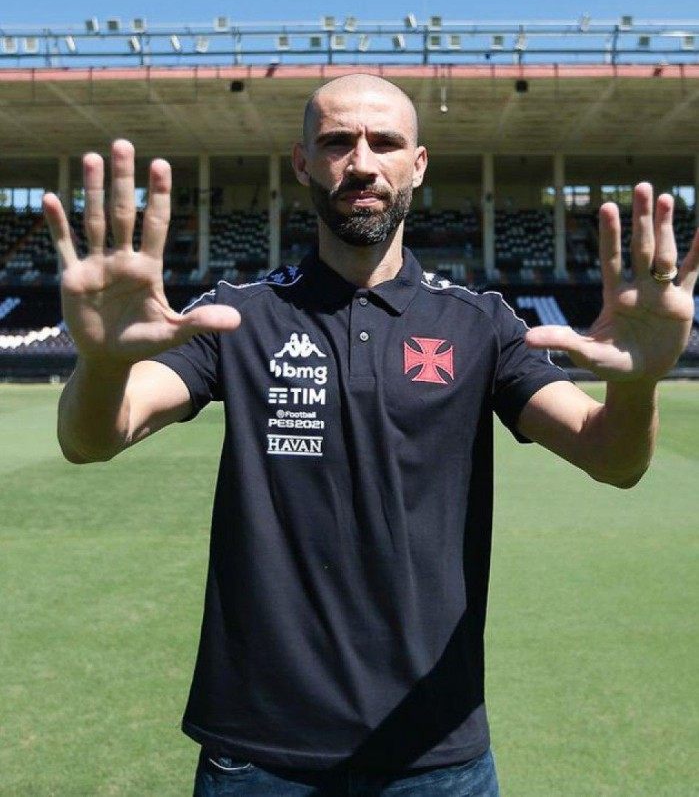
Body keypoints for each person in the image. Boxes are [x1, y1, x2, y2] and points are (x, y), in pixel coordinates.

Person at [43, 74, 699, 797]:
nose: (361, 162)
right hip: (259, 756)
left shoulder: (479, 324)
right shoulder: (238, 316)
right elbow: (94, 437)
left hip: (435, 755)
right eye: (336, 142)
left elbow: (610, 457)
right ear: (301, 163)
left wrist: (636, 382)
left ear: (416, 165)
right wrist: (102, 363)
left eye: (384, 142)